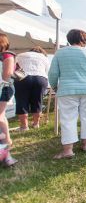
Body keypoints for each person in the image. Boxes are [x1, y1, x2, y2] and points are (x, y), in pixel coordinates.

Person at [48, 29, 86, 159]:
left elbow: (53, 74)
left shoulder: (60, 53)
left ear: (69, 39)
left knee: (68, 118)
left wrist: (55, 85)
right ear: (83, 40)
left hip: (67, 89)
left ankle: (68, 150)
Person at [13, 46, 49, 131]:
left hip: (23, 77)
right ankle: (36, 124)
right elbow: (46, 71)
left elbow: (14, 67)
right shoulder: (44, 58)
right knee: (37, 101)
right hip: (40, 78)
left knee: (22, 101)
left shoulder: (21, 55)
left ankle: (24, 126)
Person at [0, 34, 18, 166]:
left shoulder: (7, 55)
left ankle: (6, 144)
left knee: (0, 116)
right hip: (3, 87)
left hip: (4, 88)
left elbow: (7, 75)